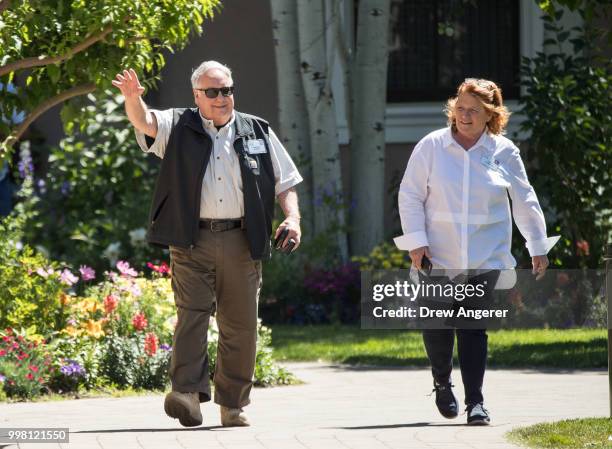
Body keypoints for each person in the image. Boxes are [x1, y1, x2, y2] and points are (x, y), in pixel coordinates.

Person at [112, 61, 303, 428]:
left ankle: (232, 404)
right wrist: (132, 99)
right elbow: (144, 123)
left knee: (241, 325)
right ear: (196, 95)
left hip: (242, 240)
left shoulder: (256, 130)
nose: (222, 98)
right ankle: (186, 395)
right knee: (192, 316)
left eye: (227, 90)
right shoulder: (177, 125)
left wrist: (292, 218)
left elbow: (286, 182)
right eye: (212, 92)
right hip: (191, 239)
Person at [394, 78, 559, 425]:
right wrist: (416, 243)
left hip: (485, 257)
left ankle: (476, 403)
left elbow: (524, 200)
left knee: (472, 327)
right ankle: (441, 382)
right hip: (435, 256)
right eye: (460, 108)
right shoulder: (432, 147)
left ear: (491, 116)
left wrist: (537, 245)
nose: (464, 116)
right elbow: (410, 195)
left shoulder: (504, 151)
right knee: (437, 326)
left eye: (474, 111)